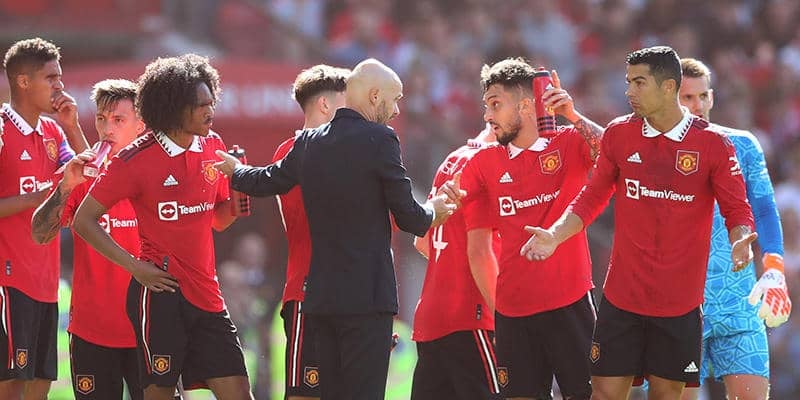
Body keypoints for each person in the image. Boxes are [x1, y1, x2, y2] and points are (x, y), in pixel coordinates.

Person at [520, 46, 757, 400]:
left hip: (679, 304)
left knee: (666, 396)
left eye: (639, 82)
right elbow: (591, 197)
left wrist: (740, 239)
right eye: (628, 81)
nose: (629, 91)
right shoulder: (619, 134)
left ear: (668, 86)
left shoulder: (712, 144)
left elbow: (737, 210)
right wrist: (555, 235)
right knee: (603, 394)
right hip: (622, 299)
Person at [213, 58, 457, 400]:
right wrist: (435, 211)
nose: (397, 110)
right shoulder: (380, 138)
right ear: (374, 96)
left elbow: (267, 180)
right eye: (395, 99)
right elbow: (410, 218)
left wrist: (236, 171)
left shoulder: (308, 142)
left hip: (321, 300)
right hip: (366, 299)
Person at [72, 54, 254, 400]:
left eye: (211, 102)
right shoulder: (133, 160)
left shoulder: (214, 147)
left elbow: (217, 220)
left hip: (208, 295)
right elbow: (83, 220)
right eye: (200, 105)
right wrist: (135, 267)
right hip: (160, 296)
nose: (210, 111)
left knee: (240, 393)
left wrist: (238, 196)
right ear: (174, 108)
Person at [457, 58, 603, 400]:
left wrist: (573, 115)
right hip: (513, 312)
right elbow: (475, 244)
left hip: (570, 301)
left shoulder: (569, 142)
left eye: (495, 104)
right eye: (486, 106)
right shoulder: (481, 164)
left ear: (525, 106)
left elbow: (617, 153)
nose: (487, 115)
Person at [677, 58, 790, 400]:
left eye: (703, 96)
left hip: (739, 303)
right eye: (687, 97)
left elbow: (765, 210)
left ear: (712, 97)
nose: (698, 106)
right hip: (678, 308)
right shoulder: (653, 153)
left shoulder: (743, 145)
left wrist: (774, 269)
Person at [30, 79, 146, 399]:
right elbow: (39, 233)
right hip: (91, 332)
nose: (107, 129)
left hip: (148, 328)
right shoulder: (81, 170)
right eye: (101, 118)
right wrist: (65, 186)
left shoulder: (158, 173)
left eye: (118, 120)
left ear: (141, 124)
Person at [0, 37, 88, 400]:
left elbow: (91, 179)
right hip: (8, 280)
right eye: (51, 78)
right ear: (23, 81)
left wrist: (73, 127)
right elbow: (46, 195)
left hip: (46, 282)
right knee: (11, 385)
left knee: (40, 385)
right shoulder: (1, 129)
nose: (59, 85)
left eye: (60, 77)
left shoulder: (54, 132)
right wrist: (40, 197)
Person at [410, 122, 503, 400]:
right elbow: (479, 253)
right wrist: (506, 320)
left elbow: (422, 241)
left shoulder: (452, 159)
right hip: (473, 315)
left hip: (431, 319)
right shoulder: (488, 164)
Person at [273, 64, 349, 400]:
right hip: (309, 294)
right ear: (325, 104)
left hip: (348, 298)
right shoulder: (292, 152)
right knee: (305, 393)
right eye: (346, 104)